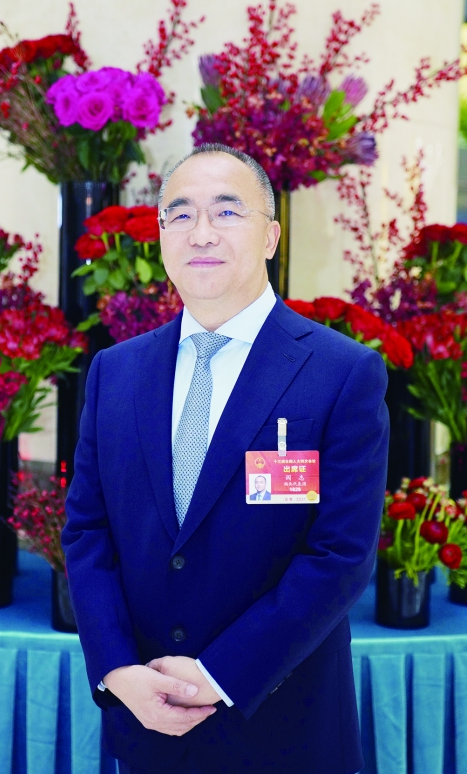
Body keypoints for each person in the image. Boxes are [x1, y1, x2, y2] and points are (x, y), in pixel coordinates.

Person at [62, 143, 389, 774]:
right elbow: (87, 531)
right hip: (148, 722)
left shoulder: (343, 372)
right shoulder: (114, 372)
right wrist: (118, 669)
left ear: (271, 236)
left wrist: (220, 673)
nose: (202, 232)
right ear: (161, 237)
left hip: (284, 730)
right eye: (181, 214)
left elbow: (340, 556)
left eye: (227, 211)